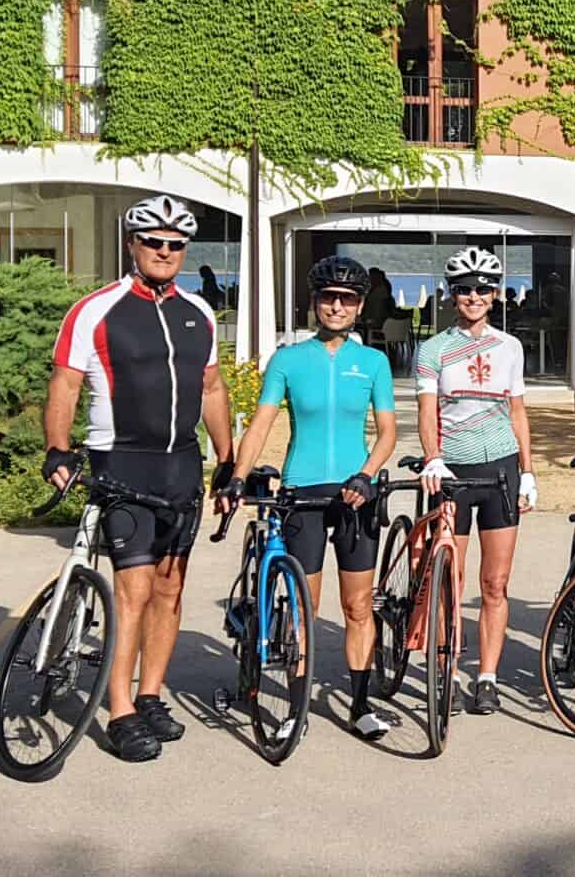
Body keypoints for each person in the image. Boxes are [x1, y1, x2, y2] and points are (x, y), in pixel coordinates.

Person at [43, 195, 235, 764]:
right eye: (155, 241)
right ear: (133, 244)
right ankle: (120, 709)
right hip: (120, 460)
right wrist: (56, 448)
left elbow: (212, 388)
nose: (166, 251)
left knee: (171, 587)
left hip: (180, 463)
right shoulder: (96, 310)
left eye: (176, 244)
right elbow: (66, 383)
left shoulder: (197, 312)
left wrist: (227, 462)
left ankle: (150, 693)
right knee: (133, 590)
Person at [230, 255, 399, 740]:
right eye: (328, 298)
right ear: (314, 303)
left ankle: (361, 705)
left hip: (357, 493)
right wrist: (238, 476)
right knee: (305, 605)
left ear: (360, 305)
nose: (337, 306)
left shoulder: (372, 362)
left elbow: (387, 432)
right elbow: (262, 422)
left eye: (347, 299)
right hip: (302, 489)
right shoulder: (288, 360)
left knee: (359, 606)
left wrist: (368, 475)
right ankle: (295, 709)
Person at [415, 247, 538, 717]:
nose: (474, 296)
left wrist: (528, 471)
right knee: (452, 579)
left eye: (483, 288)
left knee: (496, 582)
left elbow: (518, 409)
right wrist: (433, 457)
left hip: (501, 469)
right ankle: (446, 662)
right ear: (452, 295)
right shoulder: (434, 349)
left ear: (495, 295)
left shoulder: (510, 346)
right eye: (464, 288)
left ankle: (487, 676)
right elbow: (427, 410)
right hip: (455, 470)